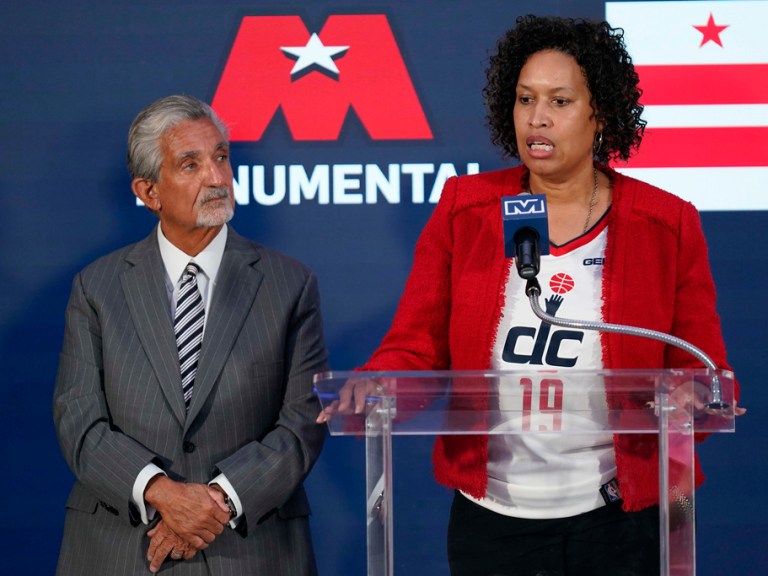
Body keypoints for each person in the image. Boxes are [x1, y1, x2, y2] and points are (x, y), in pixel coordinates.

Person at [318, 14, 743, 576]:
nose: (537, 118)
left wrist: (697, 395)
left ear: (600, 114)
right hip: (494, 520)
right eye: (525, 99)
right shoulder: (466, 209)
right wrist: (378, 383)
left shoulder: (665, 224)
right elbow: (415, 348)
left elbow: (702, 368)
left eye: (560, 101)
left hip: (621, 518)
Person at [53, 94, 328, 575]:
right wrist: (161, 492)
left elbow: (303, 420)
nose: (217, 177)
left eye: (221, 157)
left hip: (250, 552)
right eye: (190, 164)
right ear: (149, 192)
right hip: (120, 550)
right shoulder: (96, 287)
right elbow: (79, 419)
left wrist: (214, 502)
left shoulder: (290, 284)